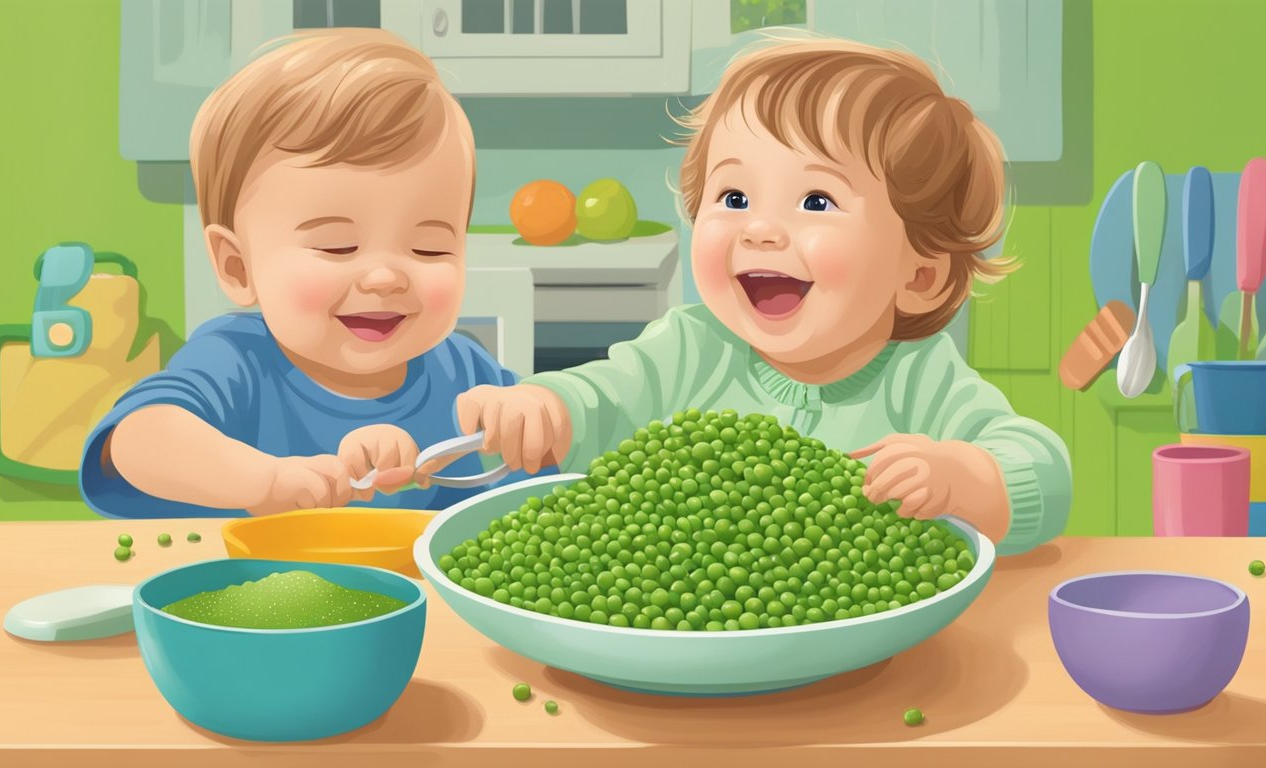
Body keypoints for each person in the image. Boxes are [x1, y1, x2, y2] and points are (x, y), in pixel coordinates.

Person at [456, 38, 1071, 555]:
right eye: (733, 198)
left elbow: (1042, 467)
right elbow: (602, 398)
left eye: (816, 202)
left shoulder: (922, 381)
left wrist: (968, 478)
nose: (759, 229)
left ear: (920, 277)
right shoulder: (689, 349)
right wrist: (542, 405)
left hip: (866, 648)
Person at [80, 29, 536, 518]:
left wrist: (542, 417)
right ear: (237, 266)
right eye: (337, 245)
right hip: (250, 589)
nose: (385, 276)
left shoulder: (467, 375)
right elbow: (135, 440)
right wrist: (266, 482)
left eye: (429, 248)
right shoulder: (235, 361)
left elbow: (540, 495)